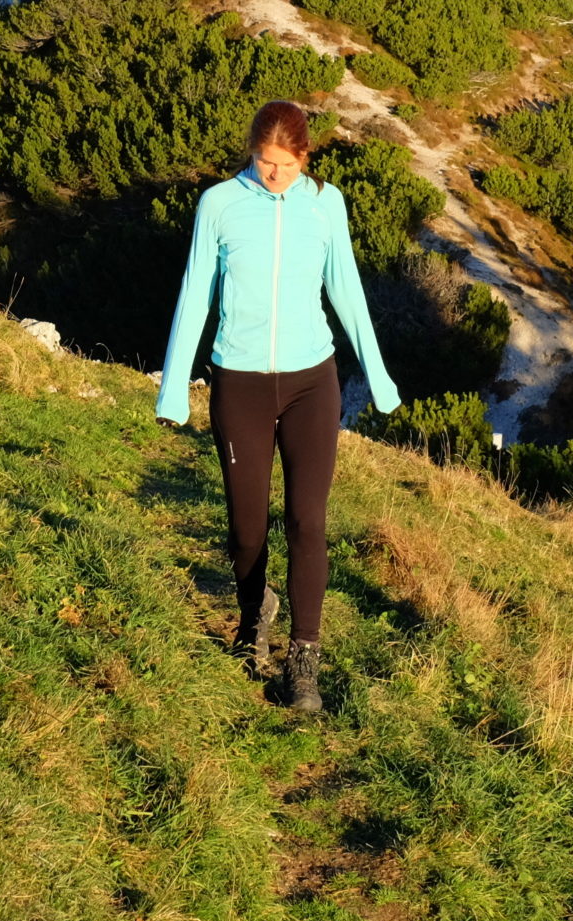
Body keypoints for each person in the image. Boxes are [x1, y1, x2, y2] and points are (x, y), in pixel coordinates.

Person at [153, 100, 401, 712]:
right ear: (252, 152)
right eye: (265, 163)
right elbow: (195, 293)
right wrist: (173, 387)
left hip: (311, 382)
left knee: (307, 522)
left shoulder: (326, 204)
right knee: (246, 528)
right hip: (238, 379)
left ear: (304, 157)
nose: (274, 176)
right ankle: (253, 611)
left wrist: (379, 373)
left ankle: (303, 663)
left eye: (285, 166)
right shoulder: (219, 204)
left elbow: (347, 290)